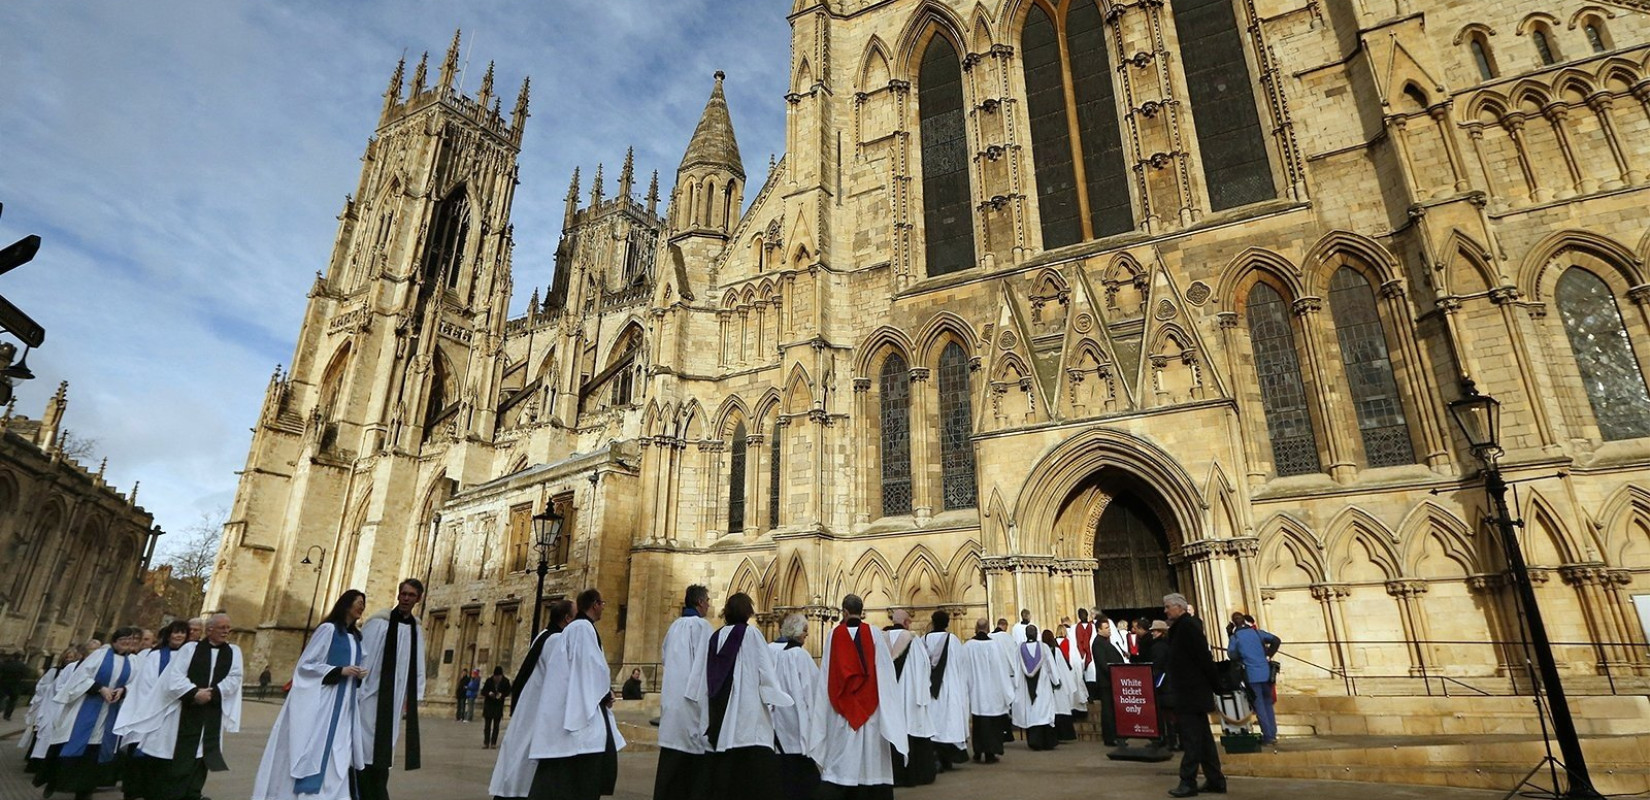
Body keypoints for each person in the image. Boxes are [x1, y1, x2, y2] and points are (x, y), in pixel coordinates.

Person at [252, 590, 367, 800]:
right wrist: (338, 671)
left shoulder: (357, 637)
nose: (361, 607)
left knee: (341, 750)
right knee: (319, 746)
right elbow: (306, 665)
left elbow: (357, 664)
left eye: (363, 604)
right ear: (346, 604)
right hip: (326, 703)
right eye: (358, 603)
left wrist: (358, 673)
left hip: (346, 707)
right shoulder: (328, 630)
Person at [684, 592, 790, 799]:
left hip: (720, 706)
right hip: (748, 708)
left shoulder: (716, 636)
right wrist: (774, 696)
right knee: (750, 758)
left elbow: (702, 673)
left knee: (727, 756)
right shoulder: (751, 635)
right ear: (747, 612)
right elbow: (765, 669)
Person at [526, 588, 625, 800]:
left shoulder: (576, 628)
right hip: (582, 715)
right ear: (596, 604)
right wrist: (604, 692)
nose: (604, 609)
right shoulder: (582, 628)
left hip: (579, 705)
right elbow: (589, 666)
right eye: (603, 604)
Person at [807, 593, 906, 799]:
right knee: (872, 758)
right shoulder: (875, 634)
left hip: (842, 708)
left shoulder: (833, 635)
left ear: (843, 612)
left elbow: (827, 673)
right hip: (871, 708)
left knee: (843, 758)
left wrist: (823, 707)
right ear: (861, 612)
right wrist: (890, 706)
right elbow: (885, 672)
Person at [143, 613, 244, 800]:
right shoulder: (190, 649)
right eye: (222, 627)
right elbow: (175, 676)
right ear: (210, 629)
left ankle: (193, 793)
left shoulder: (234, 652)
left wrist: (213, 693)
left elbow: (235, 678)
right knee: (180, 757)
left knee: (202, 755)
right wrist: (194, 693)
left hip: (212, 710)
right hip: (186, 710)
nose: (226, 631)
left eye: (228, 628)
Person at [40, 628, 141, 800]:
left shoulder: (133, 661)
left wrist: (123, 690)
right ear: (115, 640)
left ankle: (85, 790)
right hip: (85, 708)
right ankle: (56, 781)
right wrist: (100, 688)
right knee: (75, 748)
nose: (127, 642)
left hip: (110, 713)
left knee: (97, 752)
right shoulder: (100, 656)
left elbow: (136, 684)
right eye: (123, 638)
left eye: (130, 640)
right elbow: (79, 677)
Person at [489, 600, 574, 800]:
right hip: (538, 710)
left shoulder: (543, 636)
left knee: (517, 755)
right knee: (525, 761)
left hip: (529, 706)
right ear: (567, 619)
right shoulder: (556, 640)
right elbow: (562, 677)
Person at [358, 578, 427, 800]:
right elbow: (364, 657)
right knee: (364, 746)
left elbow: (418, 664)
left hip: (395, 699)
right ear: (398, 595)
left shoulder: (416, 628)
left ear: (418, 599)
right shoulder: (379, 622)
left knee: (384, 749)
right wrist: (358, 690)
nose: (406, 598)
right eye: (404, 594)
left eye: (411, 595)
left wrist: (414, 697)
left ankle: (377, 790)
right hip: (370, 695)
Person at [112, 619, 191, 799]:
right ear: (168, 634)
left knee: (162, 763)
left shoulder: (190, 657)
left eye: (182, 633)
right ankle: (131, 793)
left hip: (173, 715)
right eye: (175, 632)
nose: (179, 635)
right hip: (150, 710)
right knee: (139, 758)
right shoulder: (155, 656)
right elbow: (145, 684)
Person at [654, 584, 713, 800]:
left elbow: (665, 658)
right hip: (692, 705)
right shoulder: (702, 628)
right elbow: (709, 664)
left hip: (672, 701)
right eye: (707, 600)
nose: (708, 605)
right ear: (699, 602)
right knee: (692, 764)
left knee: (671, 764)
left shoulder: (674, 627)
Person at [1164, 593, 1224, 797]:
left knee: (1191, 739)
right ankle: (1216, 780)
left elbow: (1203, 657)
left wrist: (1217, 685)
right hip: (1191, 692)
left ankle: (1188, 781)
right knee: (1204, 739)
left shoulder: (1188, 627)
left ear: (1179, 607)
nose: (1165, 610)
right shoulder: (1181, 627)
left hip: (1191, 693)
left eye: (1168, 607)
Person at [768, 613, 820, 800]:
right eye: (805, 630)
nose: (807, 634)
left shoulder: (775, 653)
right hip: (796, 718)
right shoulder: (800, 656)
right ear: (797, 632)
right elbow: (812, 689)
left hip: (778, 718)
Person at [883, 608, 933, 787]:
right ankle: (914, 776)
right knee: (912, 732)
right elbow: (924, 667)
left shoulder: (882, 640)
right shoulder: (914, 640)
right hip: (910, 699)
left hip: (889, 699)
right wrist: (922, 695)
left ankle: (894, 776)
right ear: (906, 622)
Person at [922, 610, 969, 770]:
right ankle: (947, 758)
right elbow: (961, 665)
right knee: (947, 723)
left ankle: (934, 757)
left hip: (929, 690)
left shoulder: (924, 640)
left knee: (933, 723)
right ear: (947, 623)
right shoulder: (953, 641)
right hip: (949, 688)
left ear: (933, 622)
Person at [25, 645, 82, 773]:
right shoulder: (55, 671)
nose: (69, 660)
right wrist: (52, 688)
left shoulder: (75, 671)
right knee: (42, 734)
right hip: (49, 705)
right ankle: (35, 763)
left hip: (62, 708)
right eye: (67, 657)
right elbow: (42, 686)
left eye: (72, 658)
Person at [1227, 614, 1282, 745]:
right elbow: (1276, 640)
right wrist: (1269, 654)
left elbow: (1232, 655)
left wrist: (1230, 636)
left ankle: (1268, 735)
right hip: (1266, 672)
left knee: (1259, 704)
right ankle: (1272, 733)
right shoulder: (1257, 633)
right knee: (1268, 703)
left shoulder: (1236, 638)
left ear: (1233, 623)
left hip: (1251, 674)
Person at [963, 619, 1011, 764]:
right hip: (992, 691)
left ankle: (978, 751)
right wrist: (1006, 690)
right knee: (993, 723)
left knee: (979, 723)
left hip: (976, 691)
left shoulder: (968, 646)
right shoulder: (994, 646)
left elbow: (963, 669)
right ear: (988, 628)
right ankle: (990, 752)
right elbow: (1001, 669)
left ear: (976, 628)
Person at [1012, 625, 1057, 751]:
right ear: (1036, 633)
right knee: (1044, 712)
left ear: (1026, 634)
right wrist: (1056, 680)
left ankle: (1034, 741)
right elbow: (1051, 665)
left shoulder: (1019, 649)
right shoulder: (1044, 648)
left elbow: (1016, 667)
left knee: (1032, 712)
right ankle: (1047, 742)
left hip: (1026, 688)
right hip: (1043, 686)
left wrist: (1016, 684)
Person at [1092, 618, 1129, 746]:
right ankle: (1110, 737)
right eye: (1106, 628)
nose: (1109, 630)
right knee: (1108, 710)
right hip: (1106, 682)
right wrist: (1114, 674)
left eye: (1109, 627)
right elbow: (1103, 663)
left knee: (1112, 710)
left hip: (1112, 680)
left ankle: (1116, 735)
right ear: (1099, 630)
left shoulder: (1106, 642)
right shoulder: (1098, 643)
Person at [482, 667, 511, 749]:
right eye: (495, 677)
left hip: (498, 706)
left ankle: (493, 743)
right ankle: (486, 742)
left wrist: (502, 695)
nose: (497, 678)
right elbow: (483, 691)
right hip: (489, 706)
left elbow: (508, 691)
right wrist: (489, 693)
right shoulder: (489, 681)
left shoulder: (505, 682)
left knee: (496, 726)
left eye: (498, 677)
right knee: (487, 726)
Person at [0, 651, 26, 720]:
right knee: (12, 701)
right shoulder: (22, 666)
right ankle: (7, 715)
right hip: (15, 685)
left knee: (1, 698)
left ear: (13, 657)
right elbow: (24, 675)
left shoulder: (6, 664)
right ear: (19, 657)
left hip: (4, 684)